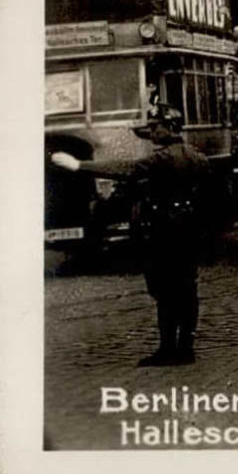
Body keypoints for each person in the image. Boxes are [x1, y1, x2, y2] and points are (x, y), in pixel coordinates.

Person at [50, 105, 215, 366]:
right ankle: (185, 348)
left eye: (155, 127)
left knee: (164, 291)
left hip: (163, 232)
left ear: (169, 128)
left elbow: (126, 168)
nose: (151, 132)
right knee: (186, 289)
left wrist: (79, 165)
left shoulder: (162, 159)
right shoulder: (196, 156)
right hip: (188, 230)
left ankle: (168, 349)